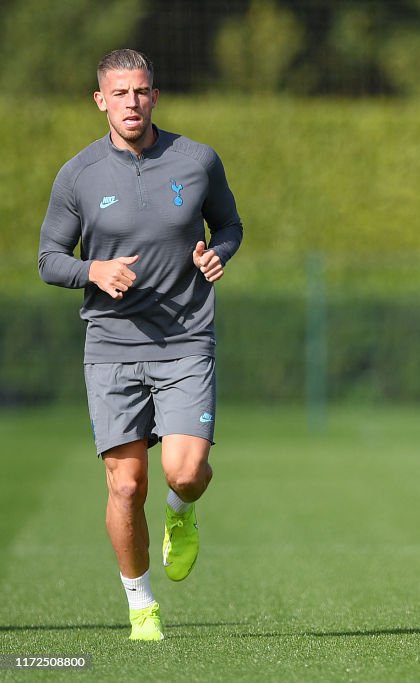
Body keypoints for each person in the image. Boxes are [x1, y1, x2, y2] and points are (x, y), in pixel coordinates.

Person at [38, 49, 243, 641]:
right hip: (111, 347)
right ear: (100, 100)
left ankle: (183, 516)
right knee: (127, 486)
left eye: (143, 91)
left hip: (185, 339)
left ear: (155, 95)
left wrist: (216, 253)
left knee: (186, 473)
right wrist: (93, 272)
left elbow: (229, 225)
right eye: (120, 94)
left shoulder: (197, 160)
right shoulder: (78, 174)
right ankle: (141, 604)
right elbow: (50, 259)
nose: (133, 103)